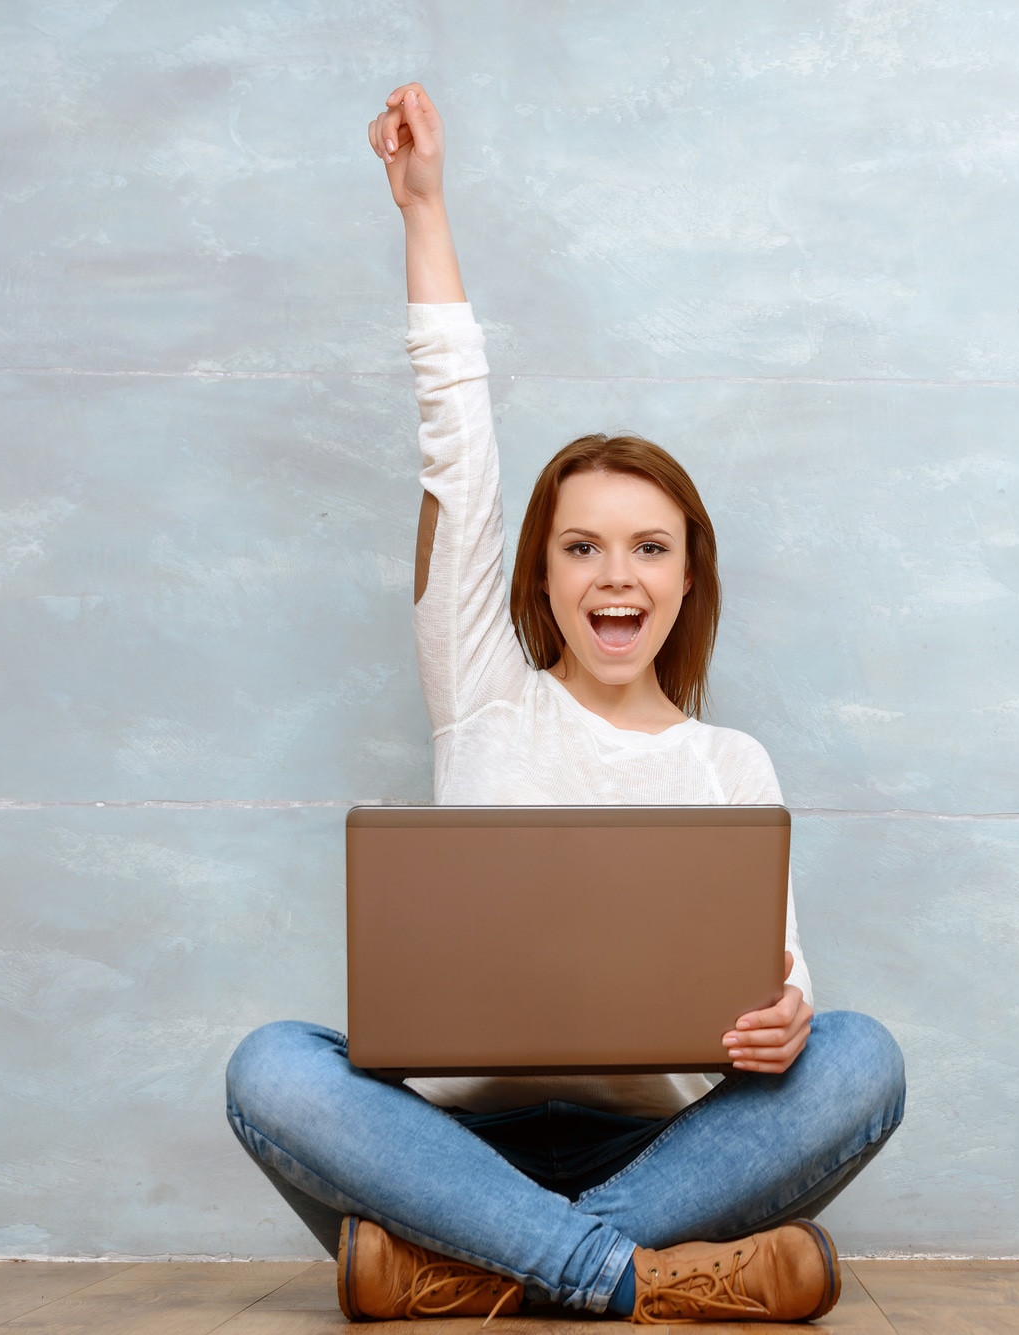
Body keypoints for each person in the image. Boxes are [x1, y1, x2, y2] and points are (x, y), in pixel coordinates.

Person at [222, 82, 906, 1325]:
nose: (614, 577)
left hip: (652, 1161)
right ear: (536, 573)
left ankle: (475, 1272)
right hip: (443, 1155)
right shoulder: (482, 692)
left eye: (647, 549)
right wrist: (424, 213)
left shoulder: (727, 766)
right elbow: (457, 448)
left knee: (863, 1057)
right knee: (271, 1067)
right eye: (581, 548)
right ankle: (632, 1281)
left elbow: (784, 993)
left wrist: (784, 1025)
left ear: (686, 576)